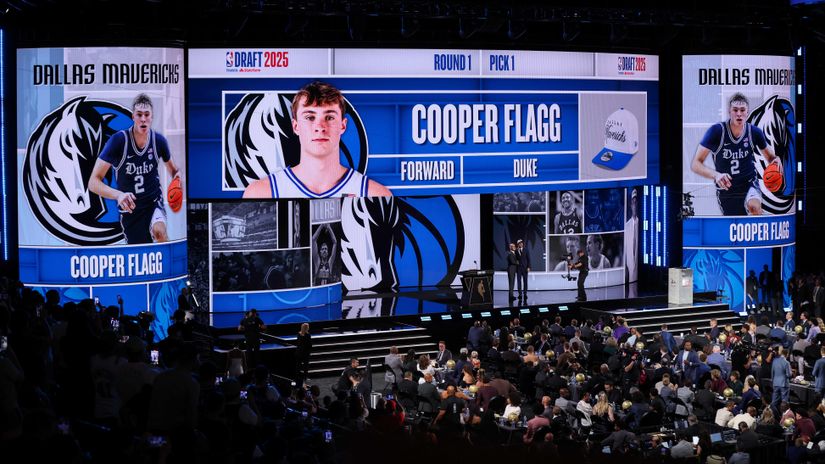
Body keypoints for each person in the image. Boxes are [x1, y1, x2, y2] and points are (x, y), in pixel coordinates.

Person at [243, 81, 390, 198]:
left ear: (343, 126)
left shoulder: (375, 195)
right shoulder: (261, 193)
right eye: (310, 117)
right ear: (295, 126)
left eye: (329, 117)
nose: (320, 127)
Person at [89, 93, 181, 244]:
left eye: (146, 115)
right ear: (133, 117)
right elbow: (93, 182)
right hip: (130, 209)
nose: (143, 119)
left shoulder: (159, 141)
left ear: (152, 117)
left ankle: (167, 267)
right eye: (139, 115)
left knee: (160, 232)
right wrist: (118, 195)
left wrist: (178, 180)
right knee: (140, 252)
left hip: (153, 202)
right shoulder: (118, 141)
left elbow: (174, 170)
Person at [689, 92, 779, 216]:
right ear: (729, 112)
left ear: (747, 112)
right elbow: (695, 164)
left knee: (754, 207)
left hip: (749, 182)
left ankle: (758, 228)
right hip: (727, 188)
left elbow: (771, 157)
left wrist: (776, 162)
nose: (739, 114)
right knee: (736, 223)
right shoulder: (716, 131)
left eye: (742, 110)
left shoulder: (754, 132)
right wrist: (716, 175)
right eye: (735, 110)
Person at [623, 188, 639, 283]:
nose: (634, 205)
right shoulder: (626, 226)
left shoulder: (641, 222)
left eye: (636, 202)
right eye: (633, 202)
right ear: (630, 205)